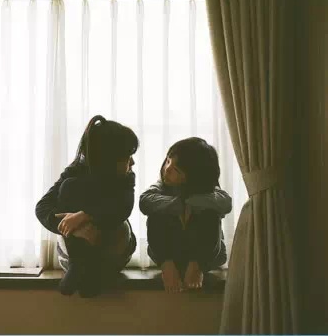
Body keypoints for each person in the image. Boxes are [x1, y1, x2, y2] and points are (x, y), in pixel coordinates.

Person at [35, 115, 139, 297]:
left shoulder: (126, 177)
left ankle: (90, 271)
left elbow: (124, 208)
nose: (132, 162)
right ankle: (81, 266)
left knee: (121, 222)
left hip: (112, 252)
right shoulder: (76, 170)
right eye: (126, 157)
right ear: (107, 160)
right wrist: (72, 227)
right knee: (69, 187)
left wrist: (86, 215)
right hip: (74, 252)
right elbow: (42, 207)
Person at [139, 137, 232, 293]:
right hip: (169, 254)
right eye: (168, 161)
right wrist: (179, 204)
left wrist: (191, 203)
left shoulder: (208, 189)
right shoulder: (162, 185)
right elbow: (145, 201)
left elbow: (226, 203)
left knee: (209, 212)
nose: (167, 169)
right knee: (158, 210)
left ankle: (197, 265)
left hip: (207, 255)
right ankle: (167, 265)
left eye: (176, 170)